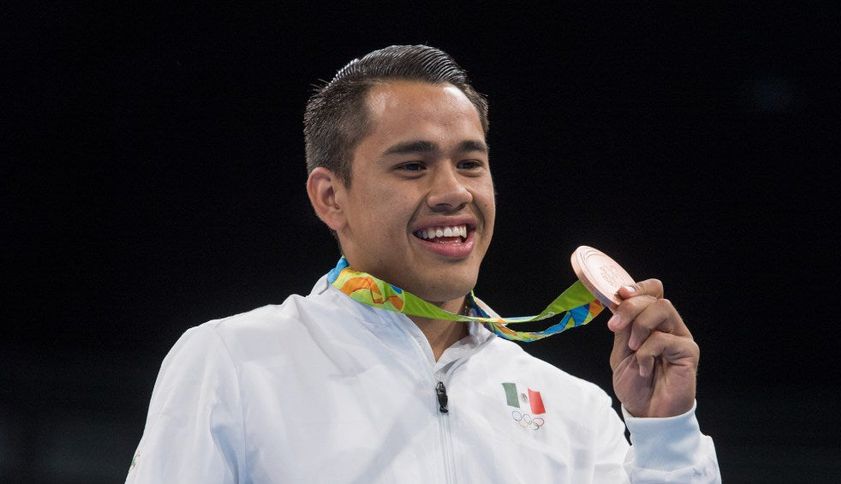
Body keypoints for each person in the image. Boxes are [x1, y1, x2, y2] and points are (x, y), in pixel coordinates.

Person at [126, 44, 720, 483]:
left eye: (470, 164)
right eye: (413, 166)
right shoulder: (233, 363)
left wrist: (666, 431)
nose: (453, 191)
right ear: (330, 197)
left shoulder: (575, 409)